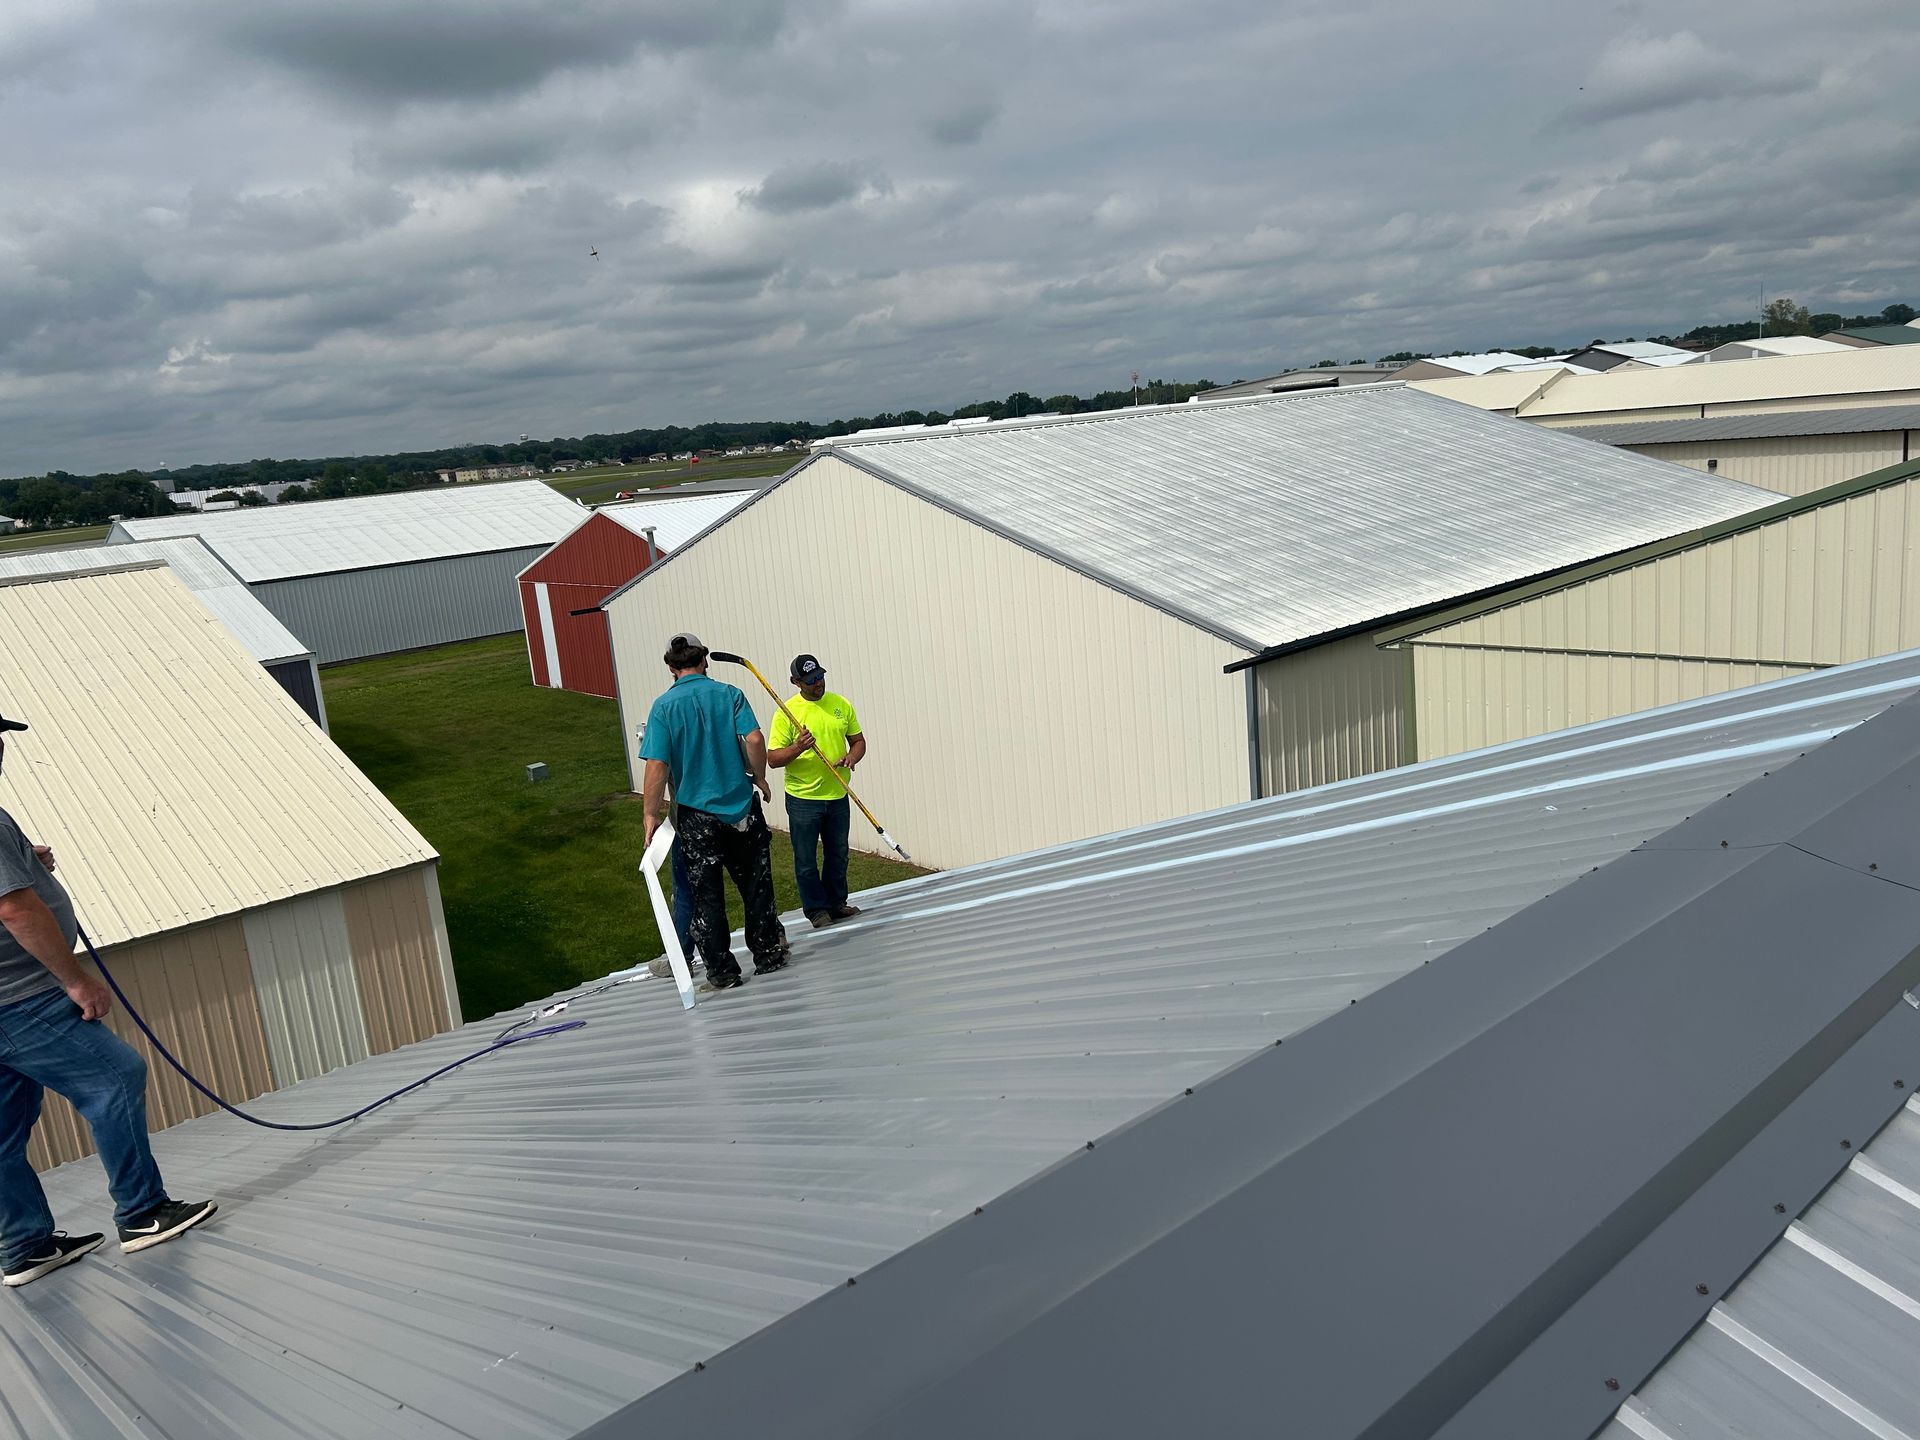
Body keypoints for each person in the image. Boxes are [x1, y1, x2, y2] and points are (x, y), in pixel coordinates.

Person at [0, 714, 216, 1289]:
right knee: (115, 1077)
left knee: (1, 1132)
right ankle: (143, 1213)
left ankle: (24, 1247)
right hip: (18, 999)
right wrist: (75, 981)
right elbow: (15, 911)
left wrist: (23, 861)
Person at [638, 634, 789, 989]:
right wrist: (759, 777)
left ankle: (723, 972)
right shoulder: (729, 694)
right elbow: (753, 739)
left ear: (672, 667)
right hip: (740, 807)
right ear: (704, 660)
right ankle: (768, 955)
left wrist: (650, 814)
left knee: (706, 896)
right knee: (756, 885)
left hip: (697, 815)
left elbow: (657, 764)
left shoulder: (663, 707)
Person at [768, 653, 867, 929]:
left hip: (837, 793)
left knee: (838, 852)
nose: (818, 683)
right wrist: (798, 747)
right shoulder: (786, 712)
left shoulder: (840, 704)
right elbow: (773, 759)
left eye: (820, 677)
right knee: (806, 858)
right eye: (811, 680)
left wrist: (852, 757)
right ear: (796, 682)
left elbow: (858, 741)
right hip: (803, 798)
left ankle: (837, 903)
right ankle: (816, 910)